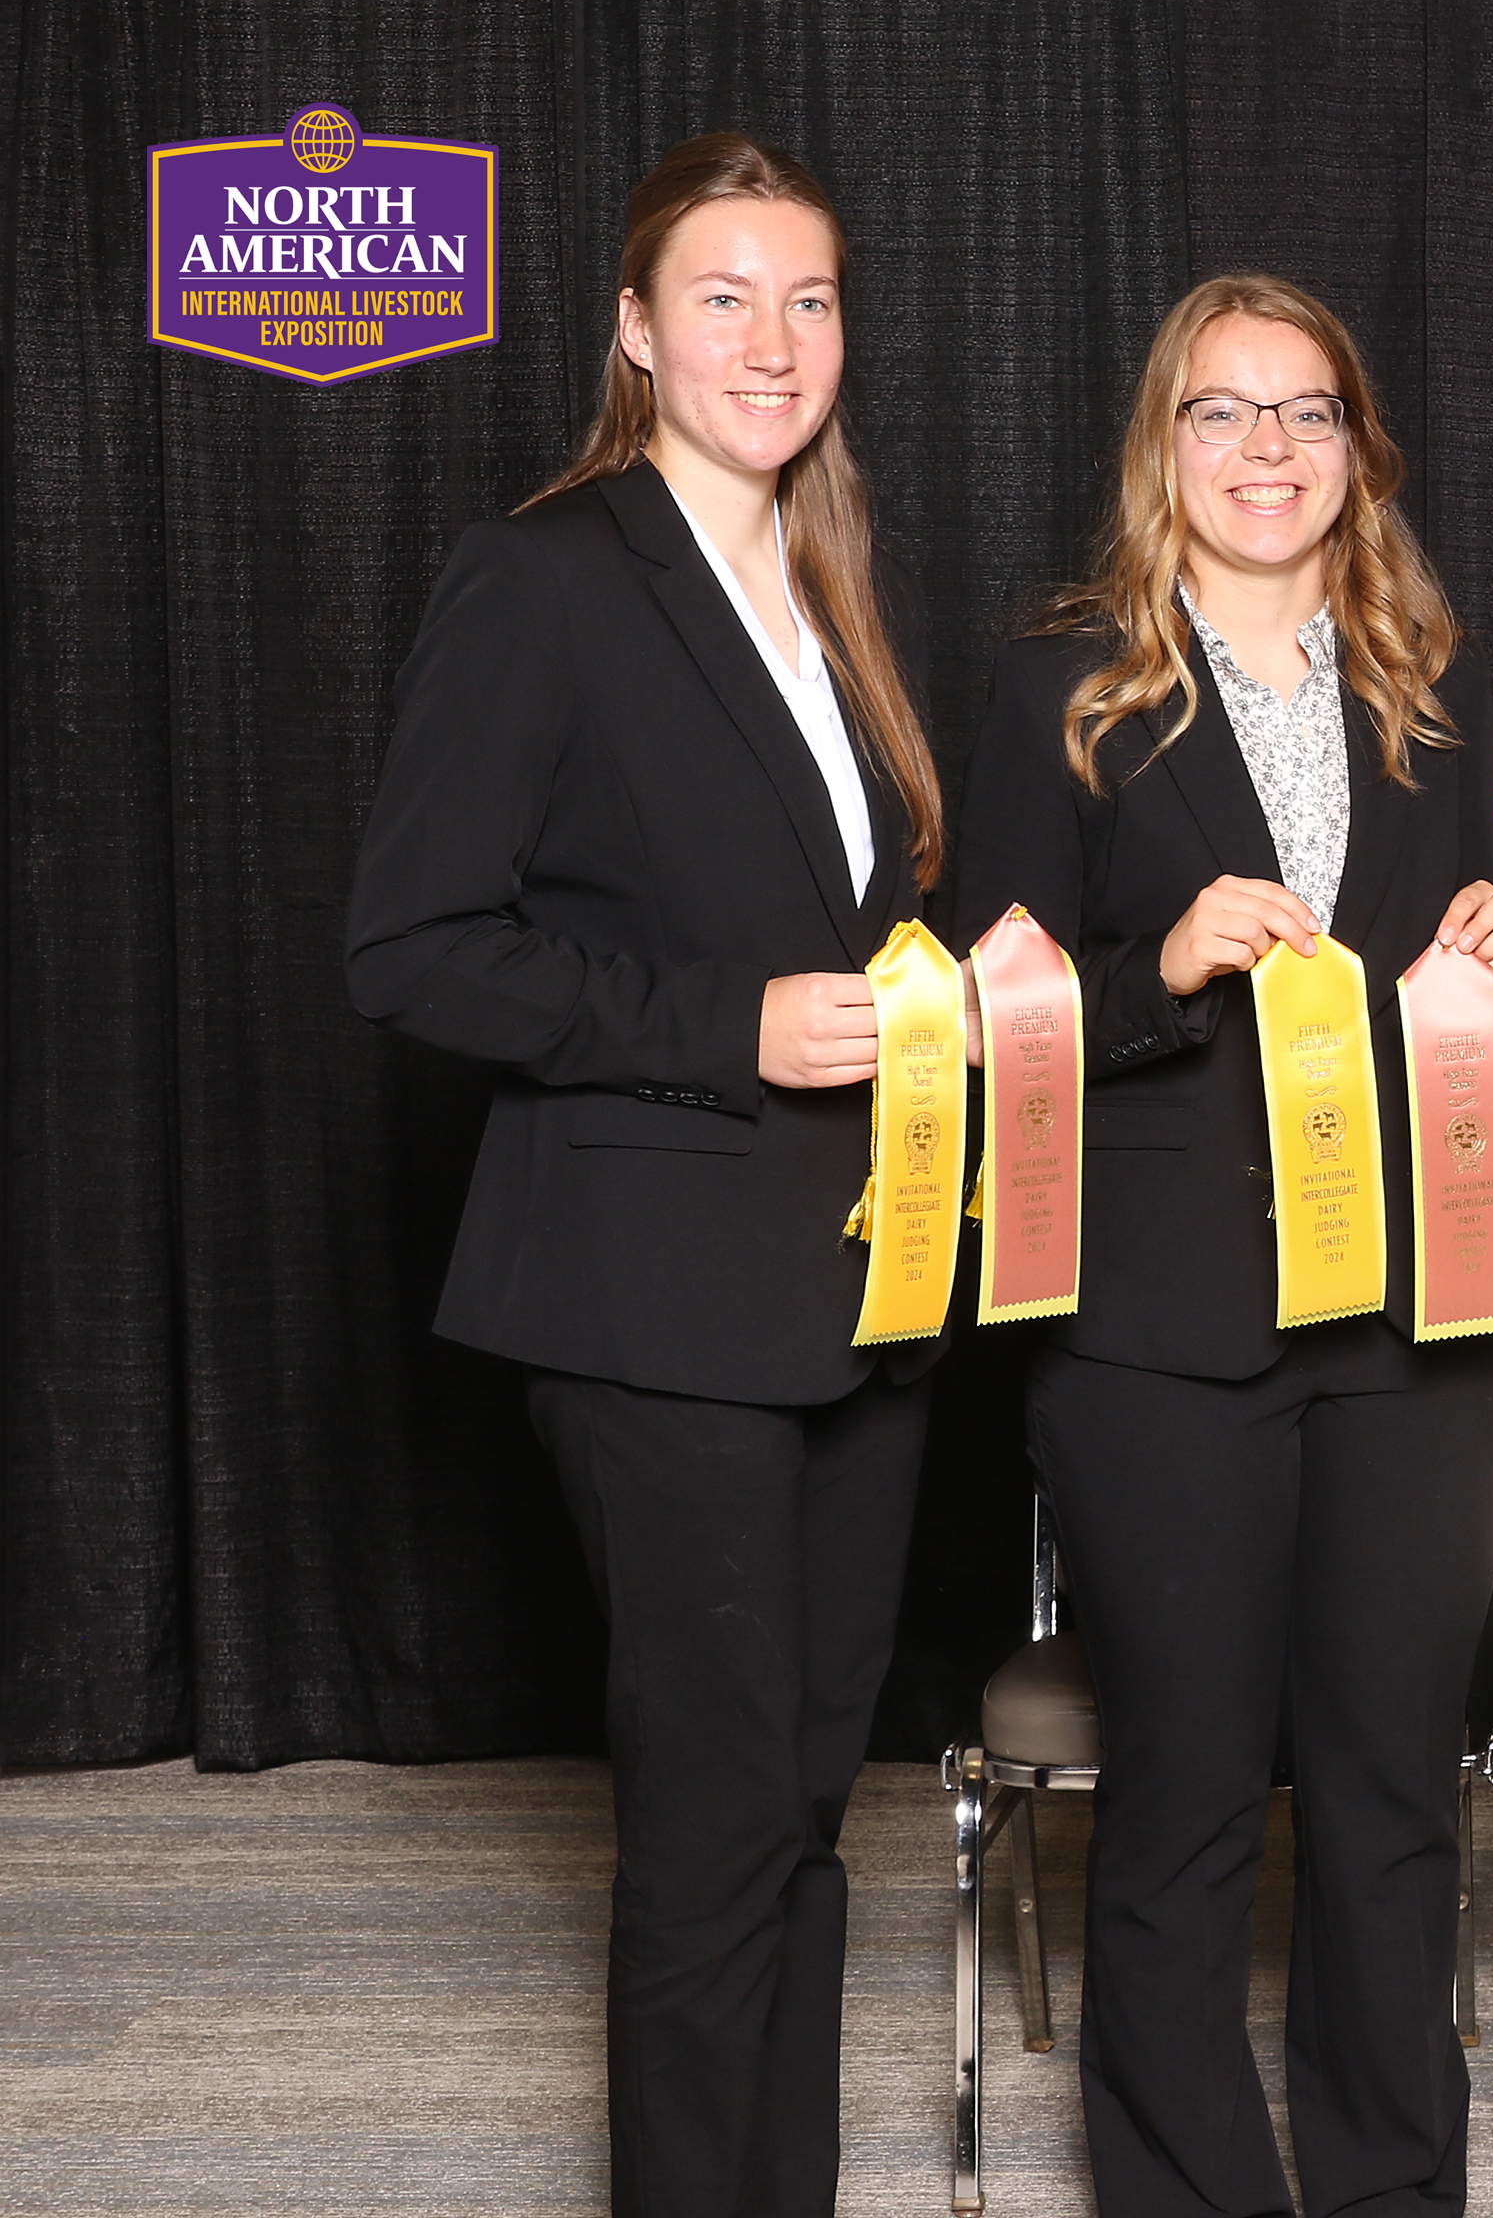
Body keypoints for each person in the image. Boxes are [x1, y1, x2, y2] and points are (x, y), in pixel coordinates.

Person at [346, 134, 946, 2217]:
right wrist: (730, 1023)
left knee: (795, 1810)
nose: (773, 342)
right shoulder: (548, 572)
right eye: (723, 296)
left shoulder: (831, 577)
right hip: (650, 1294)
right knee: (709, 1834)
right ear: (631, 328)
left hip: (852, 1300)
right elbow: (413, 943)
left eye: (809, 299)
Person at [950, 273, 1493, 2218]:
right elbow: (984, 1023)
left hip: (1413, 1343)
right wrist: (1160, 967)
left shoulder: (1443, 684)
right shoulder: (1062, 686)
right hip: (1156, 1340)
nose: (1268, 450)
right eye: (1223, 412)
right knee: (1186, 1811)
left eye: (1307, 414)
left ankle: (1385, 2194)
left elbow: (1485, 999)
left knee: (1387, 1809)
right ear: (1163, 447)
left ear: (1359, 452)